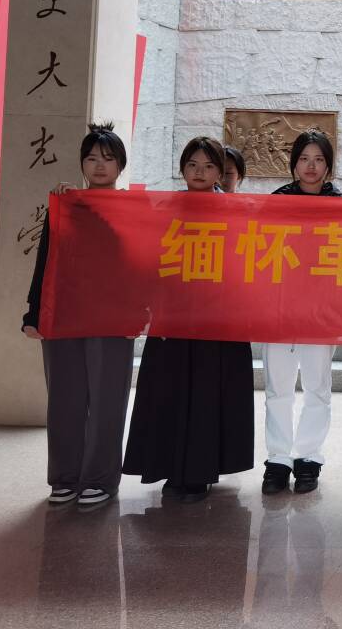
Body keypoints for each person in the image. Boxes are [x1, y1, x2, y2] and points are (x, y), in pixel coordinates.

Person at [122, 136, 254, 502]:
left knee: (209, 392)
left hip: (220, 316)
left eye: (208, 166)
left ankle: (199, 471)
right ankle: (170, 468)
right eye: (192, 165)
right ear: (182, 169)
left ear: (219, 172)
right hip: (173, 315)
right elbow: (149, 259)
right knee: (171, 390)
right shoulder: (165, 207)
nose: (199, 172)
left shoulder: (235, 210)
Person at [22, 124, 136, 507]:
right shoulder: (65, 205)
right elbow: (46, 260)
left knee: (107, 400)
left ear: (120, 164)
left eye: (108, 158)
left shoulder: (133, 210)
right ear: (81, 164)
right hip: (64, 313)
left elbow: (143, 267)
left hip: (113, 317)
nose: (99, 165)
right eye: (91, 158)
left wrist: (141, 314)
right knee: (64, 399)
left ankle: (101, 479)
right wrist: (33, 312)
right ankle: (65, 477)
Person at [261, 129, 342, 496]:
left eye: (319, 159)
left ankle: (309, 457)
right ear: (293, 164)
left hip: (321, 313)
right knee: (277, 389)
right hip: (279, 310)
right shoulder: (276, 202)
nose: (311, 166)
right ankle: (278, 459)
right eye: (305, 159)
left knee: (317, 389)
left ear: (329, 166)